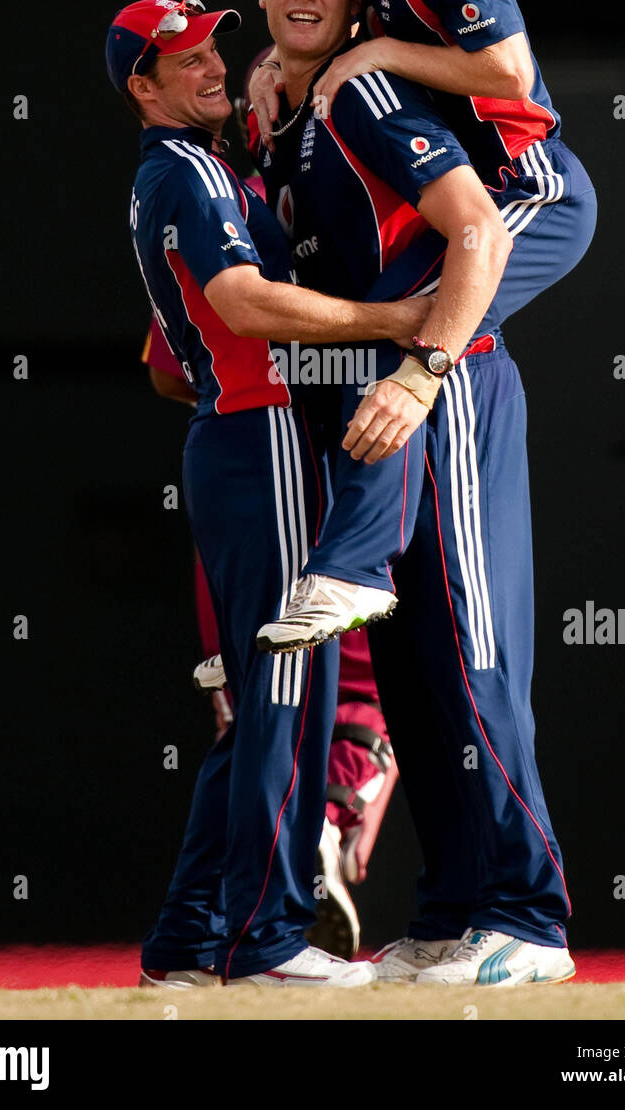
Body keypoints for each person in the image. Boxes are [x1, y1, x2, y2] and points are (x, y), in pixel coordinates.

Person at [249, 0, 584, 985]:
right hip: (383, 412)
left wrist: (417, 371)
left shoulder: (369, 94)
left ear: (360, 8)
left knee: (476, 657)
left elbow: (484, 225)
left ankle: (527, 916)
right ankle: (452, 909)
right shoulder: (286, 112)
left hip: (450, 390)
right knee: (416, 668)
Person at [106, 0, 431, 986]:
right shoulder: (192, 170)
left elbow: (169, 360)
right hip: (258, 438)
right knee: (291, 694)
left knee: (258, 707)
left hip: (234, 437)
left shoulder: (188, 170)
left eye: (213, 46)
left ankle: (187, 943)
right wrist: (393, 321)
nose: (210, 63)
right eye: (184, 56)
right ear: (141, 85)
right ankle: (270, 939)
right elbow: (241, 300)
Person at [141, 313, 398, 960]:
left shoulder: (217, 211)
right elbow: (240, 302)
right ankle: (288, 900)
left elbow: (168, 374)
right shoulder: (264, 218)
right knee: (330, 704)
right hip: (312, 475)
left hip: (234, 465)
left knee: (253, 721)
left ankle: (193, 938)